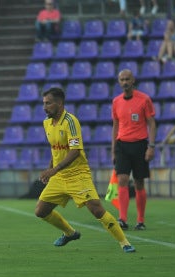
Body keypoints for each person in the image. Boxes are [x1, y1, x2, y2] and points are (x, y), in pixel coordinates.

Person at [35, 87, 136, 253]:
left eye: (48, 103)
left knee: (96, 209)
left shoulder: (70, 121)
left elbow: (75, 151)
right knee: (40, 211)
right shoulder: (47, 123)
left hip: (78, 174)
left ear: (60, 103)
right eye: (44, 103)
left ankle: (124, 243)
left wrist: (54, 170)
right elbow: (56, 149)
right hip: (59, 176)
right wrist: (50, 169)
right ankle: (69, 233)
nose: (45, 107)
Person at [111, 69, 157, 231]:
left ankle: (140, 220)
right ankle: (122, 218)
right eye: (122, 79)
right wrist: (113, 149)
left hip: (139, 145)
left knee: (139, 183)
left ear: (133, 80)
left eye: (127, 79)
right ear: (119, 82)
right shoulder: (116, 101)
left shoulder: (144, 100)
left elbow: (151, 123)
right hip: (122, 145)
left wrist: (151, 146)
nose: (124, 82)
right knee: (122, 180)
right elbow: (115, 125)